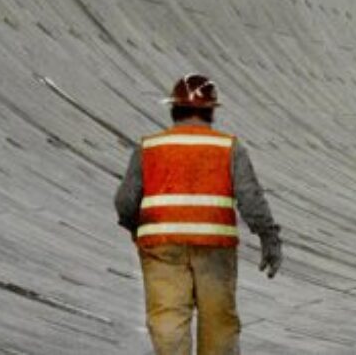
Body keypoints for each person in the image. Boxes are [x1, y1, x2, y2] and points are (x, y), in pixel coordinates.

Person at [115, 74, 283, 355]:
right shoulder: (229, 148)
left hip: (162, 246)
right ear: (211, 111)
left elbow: (125, 201)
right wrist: (270, 239)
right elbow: (251, 200)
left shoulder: (150, 147)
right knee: (219, 325)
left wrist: (135, 227)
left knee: (168, 323)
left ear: (174, 109)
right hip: (214, 249)